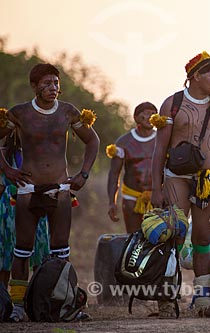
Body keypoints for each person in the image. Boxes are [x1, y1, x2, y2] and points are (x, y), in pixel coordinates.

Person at [0, 63, 100, 321]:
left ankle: (63, 303)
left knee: (60, 248)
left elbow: (93, 140)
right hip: (28, 189)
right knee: (23, 249)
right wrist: (8, 170)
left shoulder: (68, 112)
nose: (52, 88)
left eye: (55, 83)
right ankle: (19, 307)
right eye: (46, 83)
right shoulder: (19, 113)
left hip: (61, 188)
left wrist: (84, 174)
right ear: (34, 86)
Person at [151, 52, 210, 318]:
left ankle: (203, 301)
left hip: (209, 179)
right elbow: (159, 148)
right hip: (177, 177)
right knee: (174, 234)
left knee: (202, 237)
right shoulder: (173, 104)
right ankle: (166, 299)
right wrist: (156, 187)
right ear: (194, 76)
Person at [0, 133, 50, 287]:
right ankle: (5, 300)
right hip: (9, 207)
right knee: (7, 251)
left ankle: (35, 297)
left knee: (39, 252)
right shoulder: (3, 153)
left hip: (36, 203)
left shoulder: (39, 154)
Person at [107, 102, 158, 233]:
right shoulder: (124, 142)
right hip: (132, 197)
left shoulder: (162, 139)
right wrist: (112, 202)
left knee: (159, 238)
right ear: (136, 117)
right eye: (146, 113)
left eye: (153, 113)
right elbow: (114, 173)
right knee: (133, 237)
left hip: (157, 198)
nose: (149, 117)